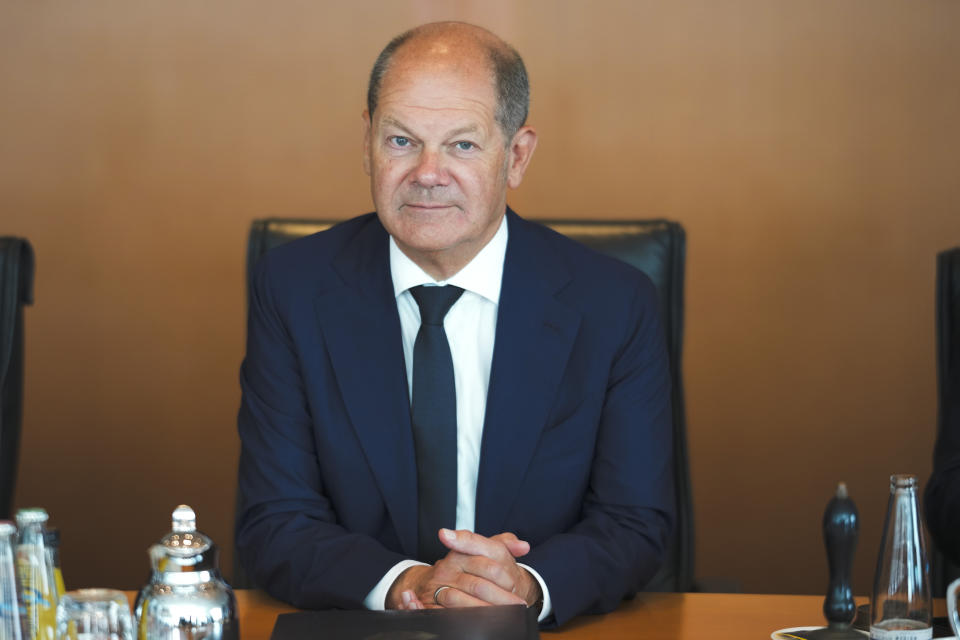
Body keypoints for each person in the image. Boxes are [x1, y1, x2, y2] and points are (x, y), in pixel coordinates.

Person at [235, 21, 674, 627]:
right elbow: (274, 520)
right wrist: (407, 585)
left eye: (462, 145)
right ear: (367, 142)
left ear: (516, 156)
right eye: (400, 141)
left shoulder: (613, 302)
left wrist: (526, 586)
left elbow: (635, 521)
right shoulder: (294, 287)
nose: (427, 172)